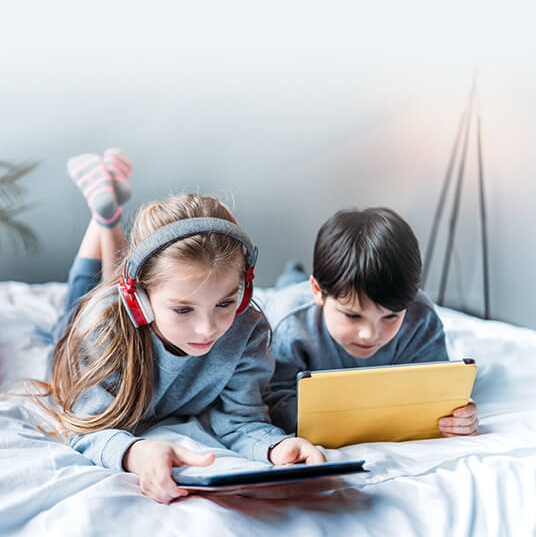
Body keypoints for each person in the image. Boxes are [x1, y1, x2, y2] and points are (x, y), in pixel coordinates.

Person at [46, 148, 324, 504]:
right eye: (182, 310)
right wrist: (136, 453)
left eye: (225, 302)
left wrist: (277, 447)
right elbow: (84, 426)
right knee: (83, 299)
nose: (207, 328)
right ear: (140, 300)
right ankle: (105, 219)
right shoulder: (102, 326)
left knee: (109, 286)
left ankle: (108, 209)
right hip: (85, 321)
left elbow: (242, 420)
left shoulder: (246, 329)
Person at [260, 207, 479, 438]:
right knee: (288, 286)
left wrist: (458, 414)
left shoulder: (421, 318)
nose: (369, 334)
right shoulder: (288, 323)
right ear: (319, 292)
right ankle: (293, 273)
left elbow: (437, 391)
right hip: (293, 297)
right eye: (352, 316)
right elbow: (274, 401)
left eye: (390, 316)